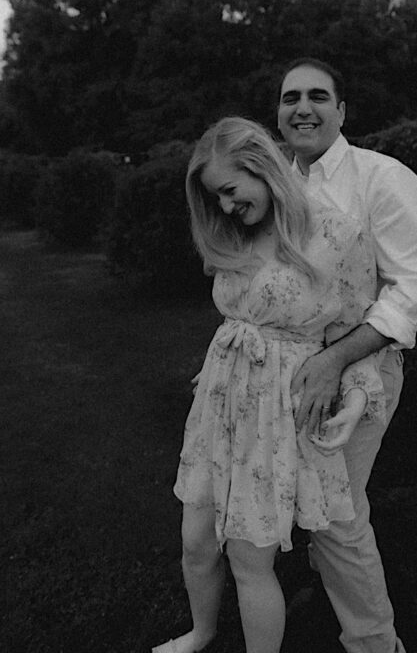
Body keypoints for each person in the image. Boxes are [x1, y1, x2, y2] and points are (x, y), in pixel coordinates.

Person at [155, 117, 387, 653]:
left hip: (278, 415)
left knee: (248, 554)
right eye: (216, 199)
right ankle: (203, 632)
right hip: (222, 404)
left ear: (262, 168)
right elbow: (240, 324)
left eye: (231, 192)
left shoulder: (336, 235)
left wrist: (354, 397)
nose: (226, 208)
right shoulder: (233, 233)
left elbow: (356, 328)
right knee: (195, 542)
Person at [276, 57, 417, 653]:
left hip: (360, 369)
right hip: (284, 365)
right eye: (290, 97)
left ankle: (375, 641)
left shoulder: (382, 178)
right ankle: (322, 579)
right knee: (293, 492)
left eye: (317, 96)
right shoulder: (277, 182)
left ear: (341, 111)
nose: (303, 108)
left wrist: (335, 360)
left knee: (336, 509)